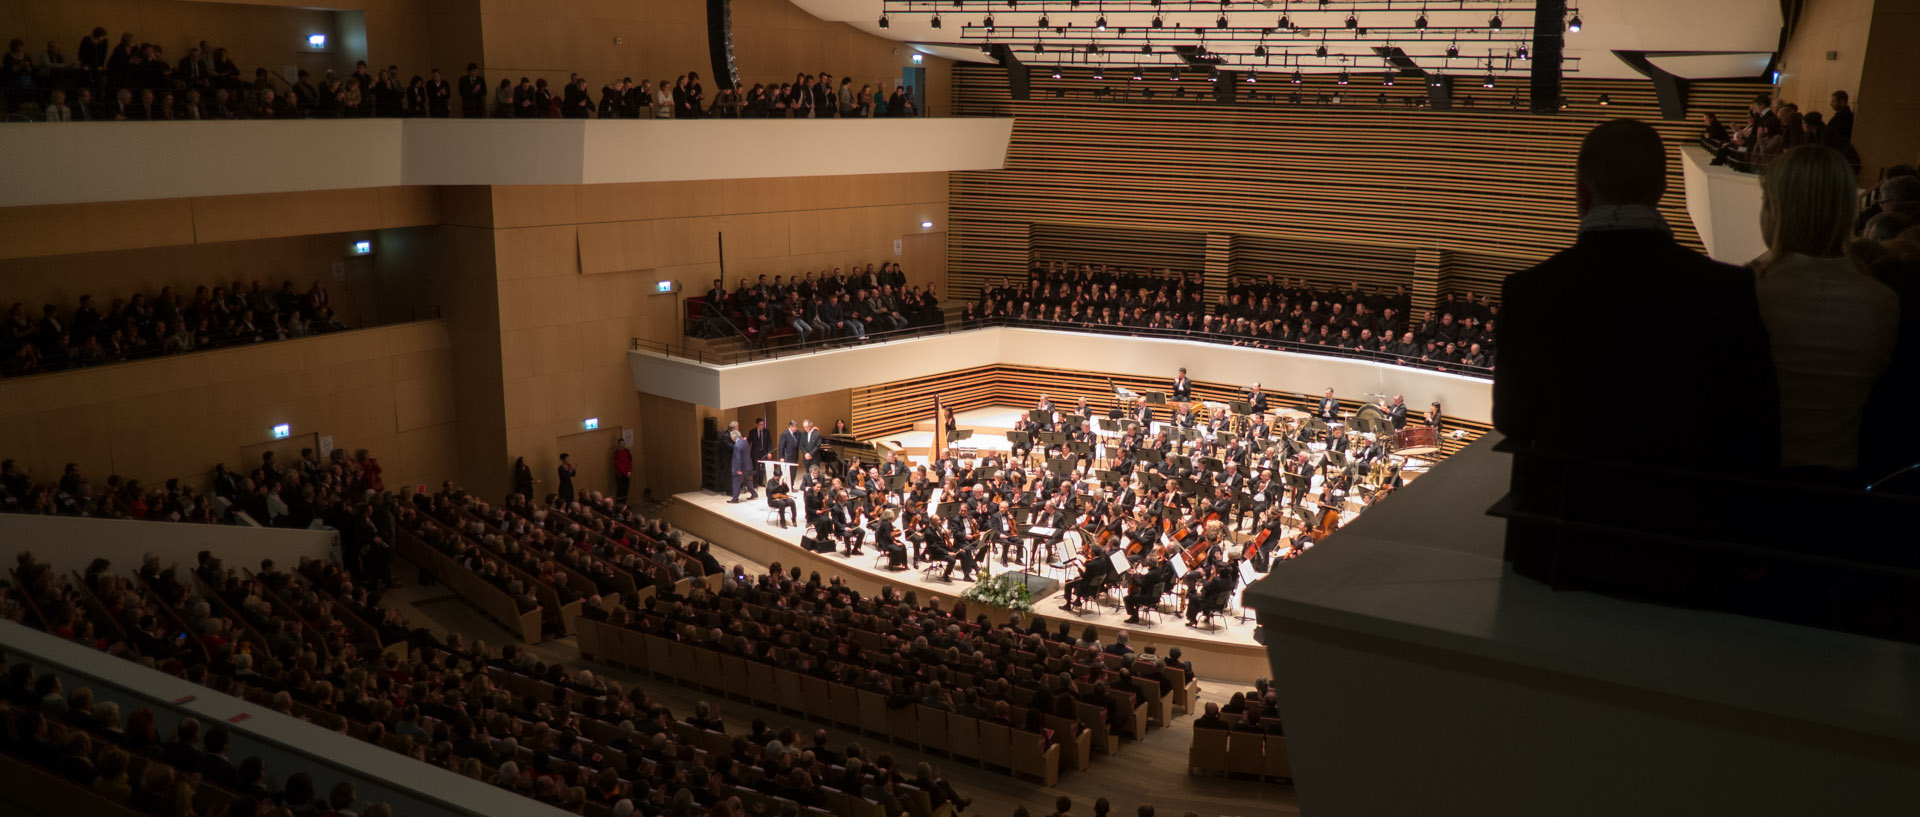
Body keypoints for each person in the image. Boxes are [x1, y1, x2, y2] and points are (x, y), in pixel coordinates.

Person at [1496, 119, 1779, 470]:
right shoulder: (1729, 289)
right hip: (1683, 511)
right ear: (1662, 188)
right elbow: (1755, 420)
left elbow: (1512, 420)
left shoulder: (1528, 291)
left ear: (1582, 192)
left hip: (1565, 507)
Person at [1752, 145, 1899, 477]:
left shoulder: (1745, 291)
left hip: (1748, 479)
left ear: (1777, 209)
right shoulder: (1884, 302)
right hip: (1840, 488)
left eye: (1765, 200)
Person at [728, 423, 757, 503]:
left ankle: (735, 498)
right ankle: (754, 494)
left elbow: (738, 459)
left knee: (736, 482)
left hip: (741, 468)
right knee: (747, 481)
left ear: (734, 437)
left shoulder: (737, 446)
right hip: (747, 466)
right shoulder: (744, 441)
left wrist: (738, 469)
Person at [611, 436, 633, 504]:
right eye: (622, 444)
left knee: (626, 490)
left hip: (627, 474)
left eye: (624, 443)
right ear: (619, 444)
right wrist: (625, 473)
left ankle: (625, 504)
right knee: (620, 490)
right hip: (620, 474)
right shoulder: (617, 453)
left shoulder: (627, 451)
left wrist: (629, 472)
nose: (623, 445)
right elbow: (618, 465)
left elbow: (630, 462)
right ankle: (619, 505)